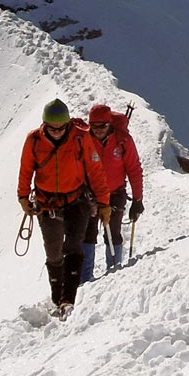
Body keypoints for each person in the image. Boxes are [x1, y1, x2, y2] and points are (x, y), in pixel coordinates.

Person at [17, 99, 113, 316]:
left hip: (76, 200)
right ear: (45, 125)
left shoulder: (81, 137)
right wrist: (23, 196)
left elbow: (95, 170)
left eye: (62, 128)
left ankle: (68, 298)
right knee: (53, 251)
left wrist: (104, 202)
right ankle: (56, 297)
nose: (58, 132)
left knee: (74, 247)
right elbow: (26, 169)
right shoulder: (34, 140)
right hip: (46, 202)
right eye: (53, 128)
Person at [81, 104, 144, 279]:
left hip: (115, 192)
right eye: (94, 127)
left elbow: (134, 169)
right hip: (90, 194)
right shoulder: (84, 139)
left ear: (110, 124)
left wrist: (137, 200)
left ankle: (114, 273)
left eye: (102, 126)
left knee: (114, 231)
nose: (98, 130)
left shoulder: (123, 140)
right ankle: (85, 278)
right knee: (88, 233)